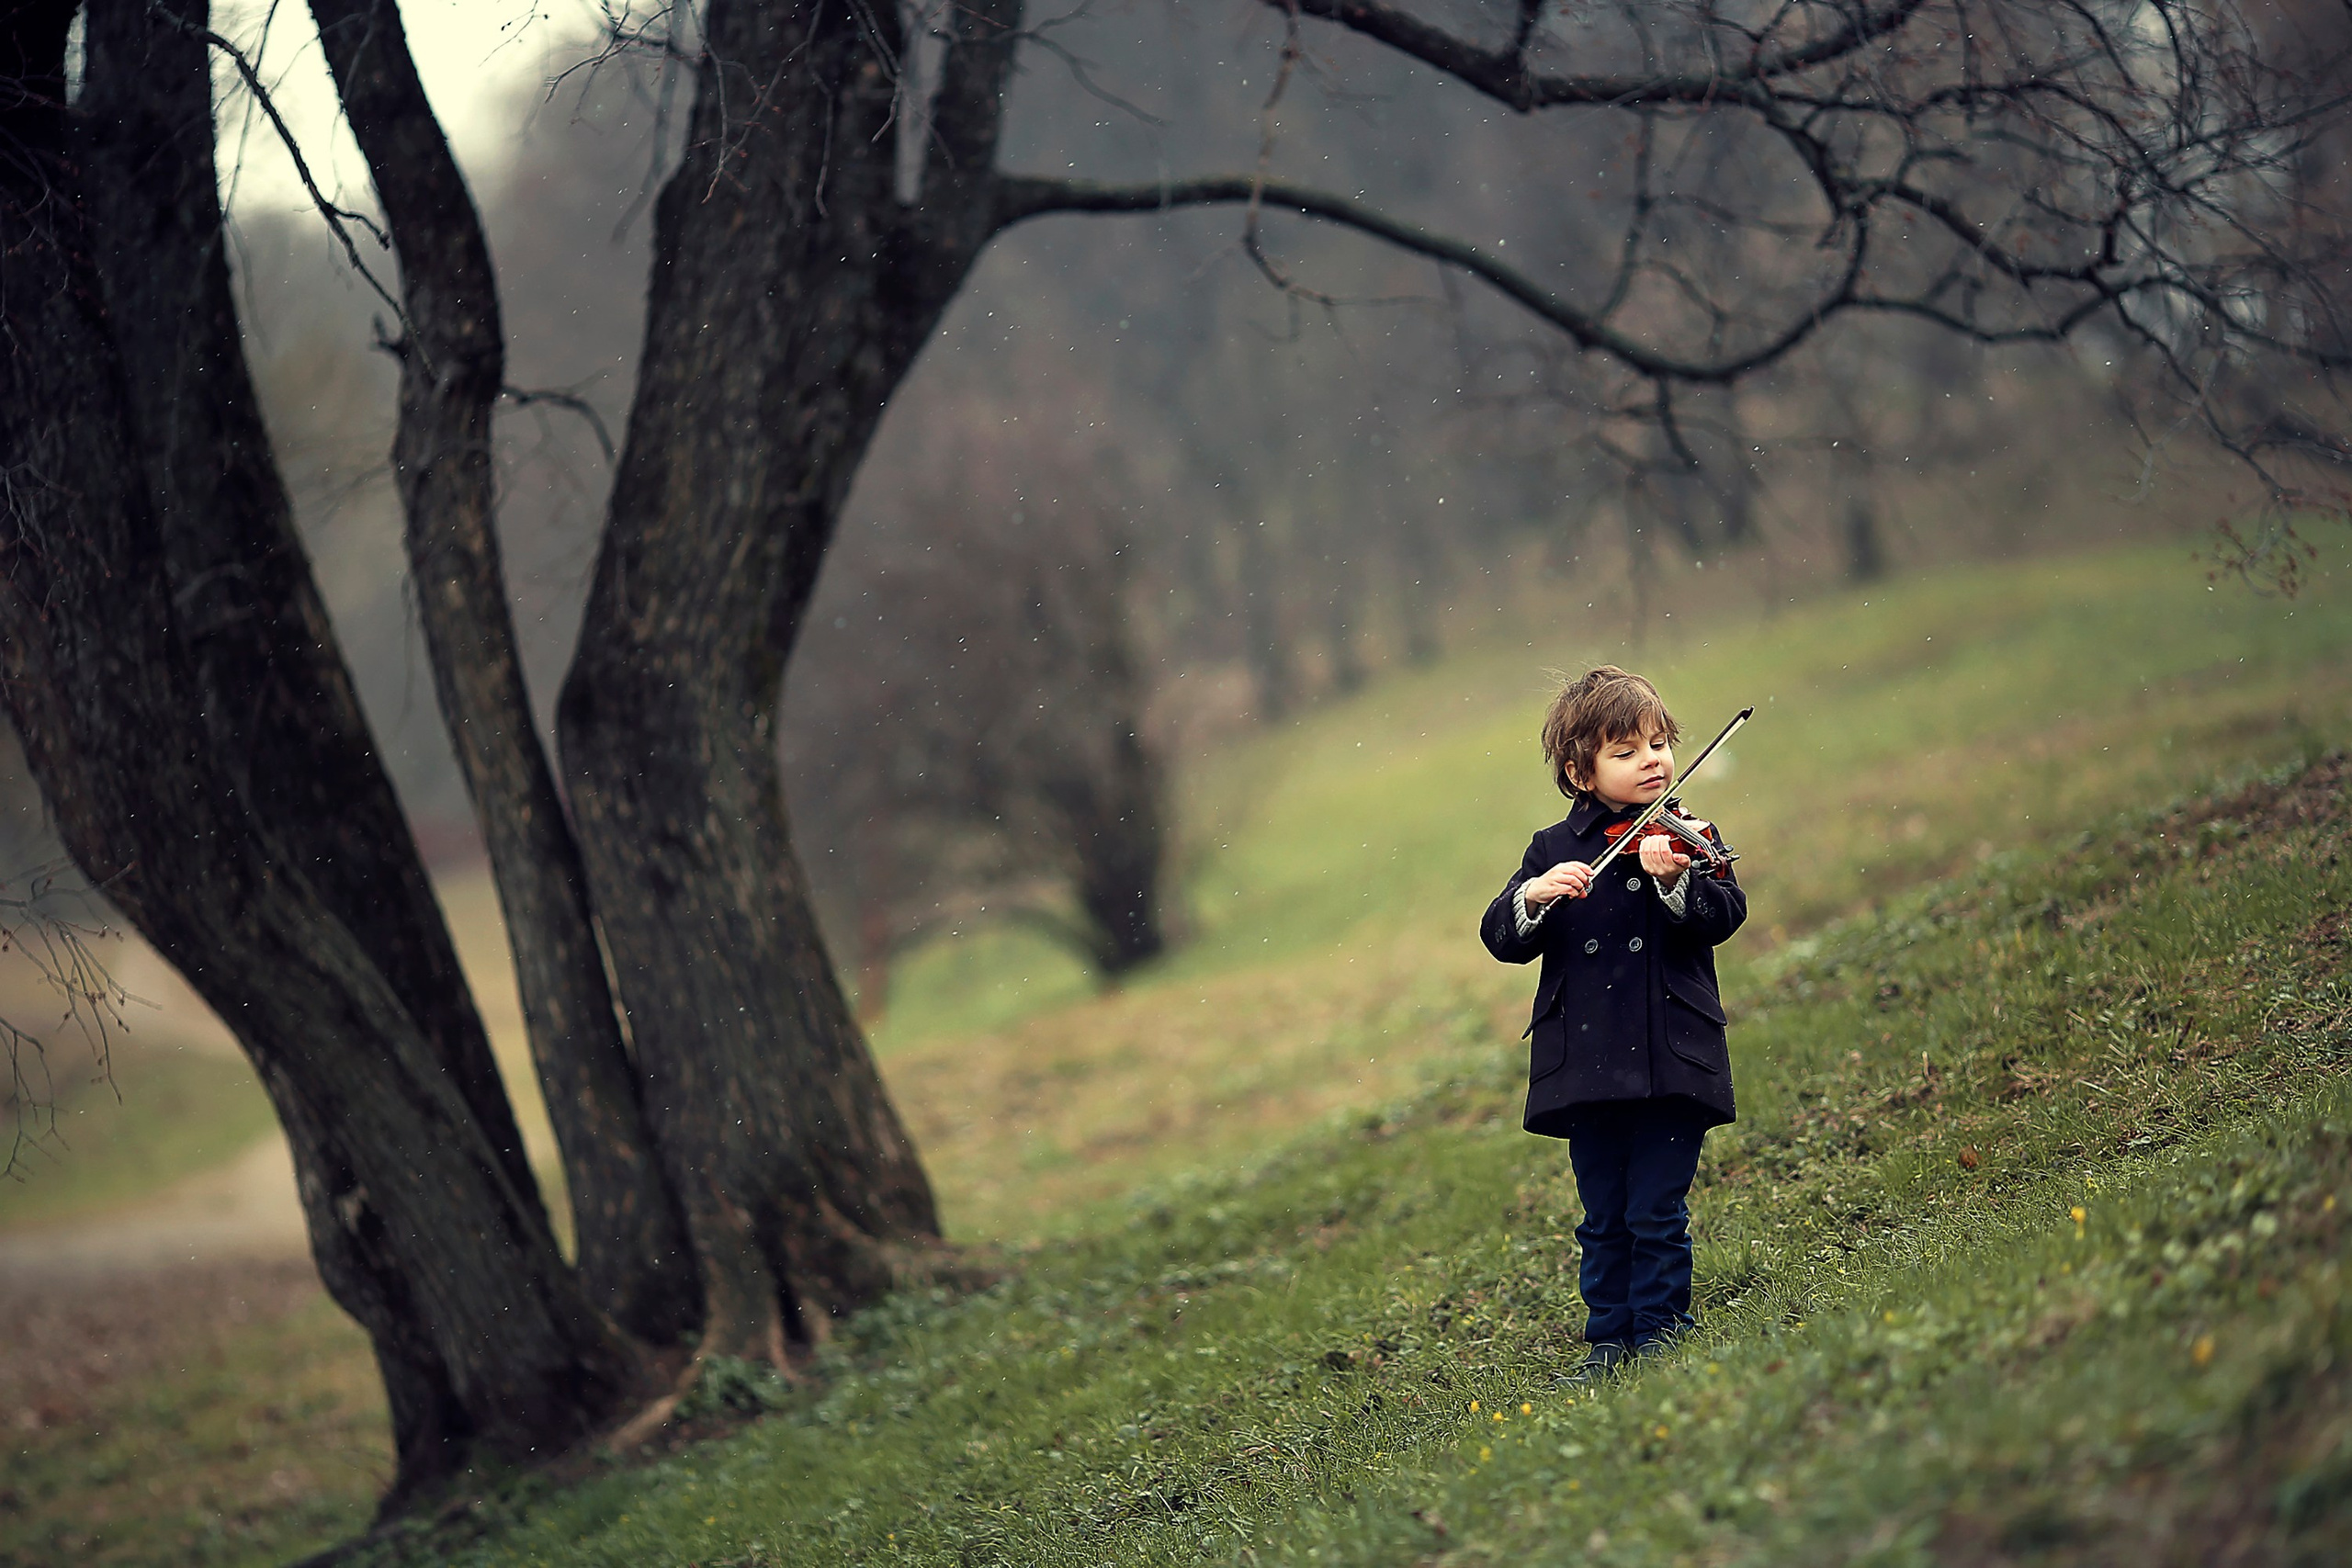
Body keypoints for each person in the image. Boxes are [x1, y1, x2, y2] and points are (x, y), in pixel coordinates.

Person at [1478, 665, 1747, 1383]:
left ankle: (1660, 1328)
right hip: (1588, 1065)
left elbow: (1726, 913)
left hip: (1669, 1055)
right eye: (1626, 751)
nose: (1652, 760)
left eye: (1659, 744)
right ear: (1580, 771)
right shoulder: (1551, 849)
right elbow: (1501, 935)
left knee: (1655, 1206)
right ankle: (1608, 1339)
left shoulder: (1688, 836)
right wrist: (1535, 896)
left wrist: (1675, 882)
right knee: (1602, 1212)